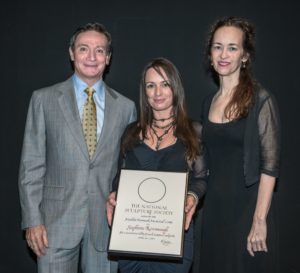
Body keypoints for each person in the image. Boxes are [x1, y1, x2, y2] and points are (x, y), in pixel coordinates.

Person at [18, 22, 136, 273]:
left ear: (109, 57)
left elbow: (128, 168)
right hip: (54, 225)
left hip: (105, 226)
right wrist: (32, 220)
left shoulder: (126, 108)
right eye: (84, 49)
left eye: (100, 50)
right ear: (72, 53)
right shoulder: (44, 100)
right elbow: (32, 165)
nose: (92, 57)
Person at [106, 57, 207, 273]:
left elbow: (200, 178)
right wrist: (115, 193)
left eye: (164, 84)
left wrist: (192, 196)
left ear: (175, 88)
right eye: (151, 86)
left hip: (174, 236)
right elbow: (120, 175)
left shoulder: (194, 132)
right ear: (145, 92)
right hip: (133, 237)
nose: (158, 92)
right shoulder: (131, 132)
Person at [199, 16, 281, 273]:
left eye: (232, 48)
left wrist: (259, 219)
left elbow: (270, 166)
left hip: (247, 210)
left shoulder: (261, 100)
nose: (224, 54)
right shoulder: (208, 102)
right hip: (214, 211)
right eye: (217, 46)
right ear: (210, 53)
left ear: (244, 56)